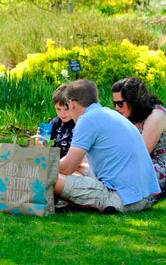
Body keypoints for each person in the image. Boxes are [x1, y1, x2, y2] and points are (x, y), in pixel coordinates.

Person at [53, 79, 160, 213]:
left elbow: (68, 167)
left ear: (72, 103)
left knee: (45, 175)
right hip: (145, 196)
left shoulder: (87, 120)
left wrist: (42, 165)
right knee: (80, 168)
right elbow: (77, 162)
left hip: (123, 200)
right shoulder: (109, 114)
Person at [112, 77, 166, 189]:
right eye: (114, 103)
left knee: (118, 174)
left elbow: (140, 153)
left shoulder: (156, 116)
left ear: (134, 101)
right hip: (143, 165)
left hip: (165, 170)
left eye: (120, 103)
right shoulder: (129, 116)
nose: (116, 108)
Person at [42, 84, 75, 157]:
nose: (62, 114)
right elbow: (43, 148)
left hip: (75, 162)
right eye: (58, 109)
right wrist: (40, 139)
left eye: (66, 109)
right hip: (57, 162)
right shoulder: (55, 123)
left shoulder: (80, 123)